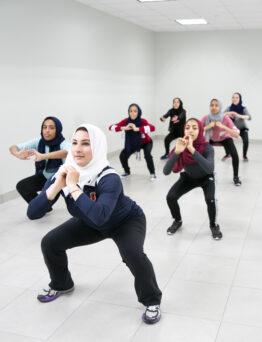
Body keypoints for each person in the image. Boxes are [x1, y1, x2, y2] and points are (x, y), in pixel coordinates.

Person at [27, 124, 162, 324]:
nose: (78, 149)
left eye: (86, 144)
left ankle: (152, 301)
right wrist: (56, 186)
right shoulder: (64, 173)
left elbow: (101, 216)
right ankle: (62, 284)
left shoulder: (109, 177)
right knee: (50, 243)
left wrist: (72, 186)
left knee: (132, 254)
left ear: (97, 147)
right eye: (74, 143)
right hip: (90, 221)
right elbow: (33, 213)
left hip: (125, 221)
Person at [163, 118, 222, 240]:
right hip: (189, 177)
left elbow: (209, 169)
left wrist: (191, 149)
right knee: (171, 197)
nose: (190, 131)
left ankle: (214, 225)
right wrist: (177, 152)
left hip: (207, 178)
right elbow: (166, 171)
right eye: (187, 128)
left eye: (194, 128)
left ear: (200, 131)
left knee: (210, 199)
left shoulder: (207, 148)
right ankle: (177, 220)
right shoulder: (180, 146)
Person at [9, 116, 70, 204]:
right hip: (47, 178)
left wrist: (43, 156)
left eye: (51, 128)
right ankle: (44, 207)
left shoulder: (64, 143)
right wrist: (17, 154)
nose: (47, 130)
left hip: (64, 179)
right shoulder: (40, 141)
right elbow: (13, 147)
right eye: (44, 127)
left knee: (75, 206)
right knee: (22, 186)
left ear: (58, 130)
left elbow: (66, 152)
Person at [109, 103, 156, 180]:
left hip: (146, 142)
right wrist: (124, 128)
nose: (133, 113)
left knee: (147, 155)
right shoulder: (126, 121)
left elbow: (153, 128)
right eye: (131, 111)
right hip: (133, 144)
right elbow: (111, 127)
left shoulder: (142, 121)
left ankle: (152, 173)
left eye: (135, 111)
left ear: (139, 112)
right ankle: (127, 172)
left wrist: (138, 129)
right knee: (122, 155)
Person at [201, 99, 241, 186]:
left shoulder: (225, 118)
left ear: (220, 107)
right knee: (202, 154)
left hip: (224, 138)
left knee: (234, 155)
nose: (214, 107)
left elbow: (236, 135)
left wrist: (223, 126)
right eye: (212, 105)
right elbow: (197, 131)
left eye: (216, 105)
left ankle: (236, 177)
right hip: (210, 138)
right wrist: (208, 126)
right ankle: (205, 175)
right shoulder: (206, 118)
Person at [223, 92, 252, 161]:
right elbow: (221, 115)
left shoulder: (243, 108)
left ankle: (244, 156)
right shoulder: (229, 108)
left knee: (246, 141)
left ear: (240, 99)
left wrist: (238, 115)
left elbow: (249, 117)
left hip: (242, 128)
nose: (234, 99)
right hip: (232, 129)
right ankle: (228, 154)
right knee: (224, 138)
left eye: (237, 97)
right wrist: (228, 113)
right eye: (233, 97)